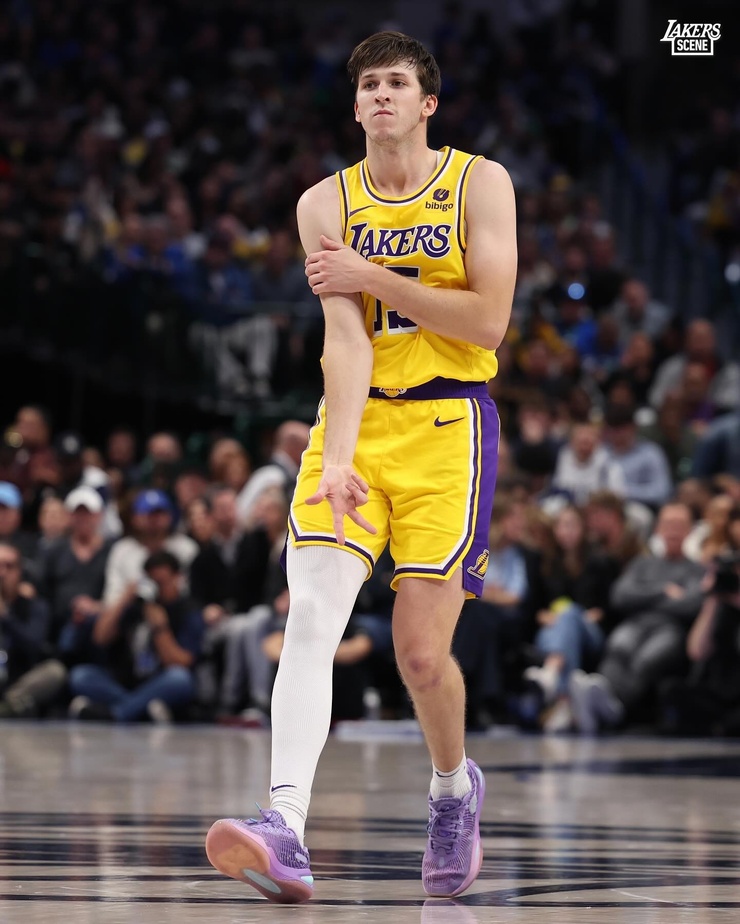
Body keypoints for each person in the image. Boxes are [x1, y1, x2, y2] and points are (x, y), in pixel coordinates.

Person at [205, 31, 516, 903]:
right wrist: (336, 459)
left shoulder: (480, 183)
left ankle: (453, 789)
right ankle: (285, 826)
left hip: (450, 426)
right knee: (311, 616)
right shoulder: (324, 203)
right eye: (369, 84)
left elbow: (486, 321)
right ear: (354, 106)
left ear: (427, 104)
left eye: (398, 83)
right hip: (354, 425)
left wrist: (369, 273)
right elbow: (347, 341)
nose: (382, 94)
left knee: (421, 657)